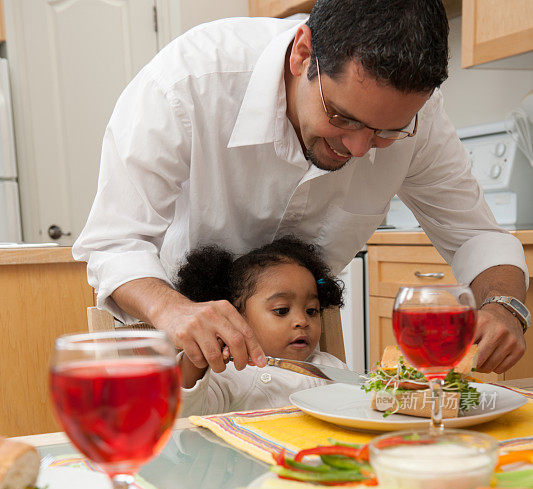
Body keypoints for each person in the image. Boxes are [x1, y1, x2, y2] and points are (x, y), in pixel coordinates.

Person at [73, 0, 529, 377]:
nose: (358, 147)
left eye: (386, 132)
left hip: (301, 367)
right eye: (342, 117)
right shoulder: (188, 82)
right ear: (302, 54)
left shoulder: (421, 121)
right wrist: (172, 311)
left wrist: (505, 307)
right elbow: (116, 241)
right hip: (170, 355)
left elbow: (477, 237)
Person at [172, 236, 347, 415]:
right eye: (282, 310)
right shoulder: (227, 374)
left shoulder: (331, 368)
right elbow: (185, 414)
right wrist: (195, 364)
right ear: (234, 317)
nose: (302, 321)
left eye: (311, 311)